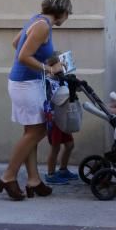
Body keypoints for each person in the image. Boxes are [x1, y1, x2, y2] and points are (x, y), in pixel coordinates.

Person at [0, 0, 73, 201]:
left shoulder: (36, 20)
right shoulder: (43, 26)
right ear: (63, 12)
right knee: (38, 131)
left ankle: (34, 180)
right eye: (68, 13)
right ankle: (8, 176)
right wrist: (48, 68)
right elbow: (22, 55)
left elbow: (16, 43)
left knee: (30, 132)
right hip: (26, 84)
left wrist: (48, 59)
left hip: (26, 82)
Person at [44, 55, 79, 185]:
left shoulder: (63, 80)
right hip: (53, 119)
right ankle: (51, 174)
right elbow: (49, 98)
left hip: (64, 117)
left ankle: (63, 169)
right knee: (55, 147)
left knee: (70, 145)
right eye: (59, 65)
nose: (62, 67)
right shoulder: (47, 82)